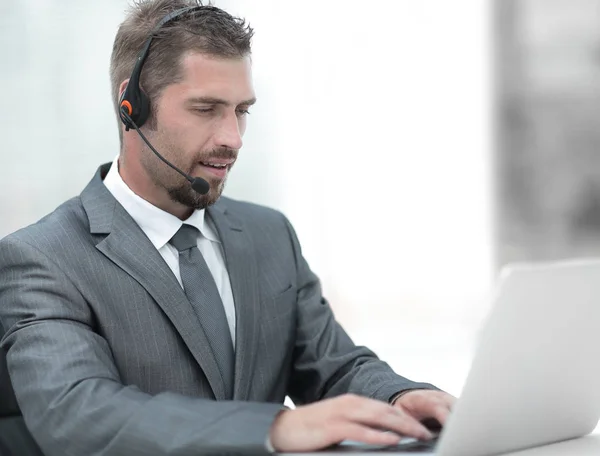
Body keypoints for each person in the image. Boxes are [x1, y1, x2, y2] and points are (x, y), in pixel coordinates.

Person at [0, 1, 455, 455]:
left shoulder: (268, 234)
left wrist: (400, 398)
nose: (232, 138)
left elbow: (333, 367)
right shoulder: (41, 258)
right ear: (130, 106)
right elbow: (79, 414)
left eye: (241, 111)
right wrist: (274, 429)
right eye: (206, 109)